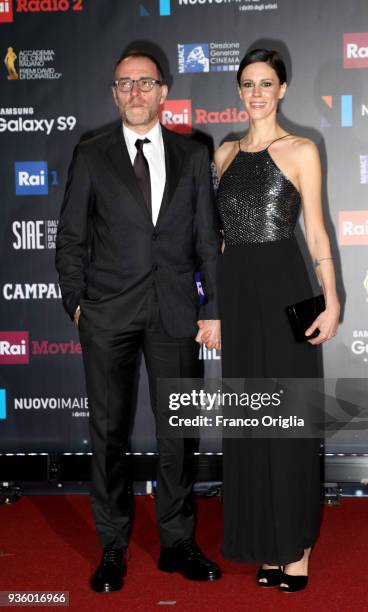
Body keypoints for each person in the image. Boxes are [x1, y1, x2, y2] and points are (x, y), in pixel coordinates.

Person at [55, 49, 221, 592]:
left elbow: (206, 242)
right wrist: (77, 303)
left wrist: (213, 307)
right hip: (107, 315)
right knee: (108, 435)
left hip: (175, 313)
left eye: (145, 83)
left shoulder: (193, 154)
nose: (135, 92)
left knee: (178, 434)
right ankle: (112, 547)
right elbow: (72, 238)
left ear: (162, 91)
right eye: (124, 83)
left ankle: (177, 542)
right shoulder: (92, 152)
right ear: (114, 92)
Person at [214, 48, 340, 593]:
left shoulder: (301, 150)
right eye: (248, 84)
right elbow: (217, 241)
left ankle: (297, 550)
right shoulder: (220, 155)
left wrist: (331, 298)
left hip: (290, 292)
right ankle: (266, 545)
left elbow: (315, 232)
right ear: (239, 92)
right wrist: (212, 310)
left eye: (266, 83)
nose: (257, 93)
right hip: (238, 295)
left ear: (283, 89)